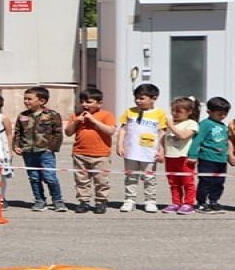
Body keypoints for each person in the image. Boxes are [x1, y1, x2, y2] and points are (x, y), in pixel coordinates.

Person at [115, 83, 167, 213]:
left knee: (149, 177)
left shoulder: (159, 113)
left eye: (142, 98)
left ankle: (150, 201)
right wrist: (119, 145)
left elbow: (162, 133)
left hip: (149, 153)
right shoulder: (129, 111)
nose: (138, 101)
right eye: (136, 98)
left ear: (154, 98)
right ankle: (129, 200)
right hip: (131, 151)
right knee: (131, 176)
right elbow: (122, 129)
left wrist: (161, 151)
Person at [14, 86, 66, 212]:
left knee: (50, 177)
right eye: (25, 99)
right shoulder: (22, 116)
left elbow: (57, 134)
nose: (26, 101)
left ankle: (58, 201)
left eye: (29, 99)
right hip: (28, 152)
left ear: (41, 101)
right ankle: (39, 201)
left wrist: (51, 149)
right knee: (34, 177)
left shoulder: (52, 115)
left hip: (45, 152)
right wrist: (16, 146)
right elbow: (17, 132)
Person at [64, 88, 115, 214]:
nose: (84, 105)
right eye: (82, 101)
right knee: (82, 180)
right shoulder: (76, 115)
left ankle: (101, 202)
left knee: (101, 180)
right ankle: (84, 201)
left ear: (99, 103)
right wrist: (76, 122)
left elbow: (110, 131)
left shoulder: (106, 115)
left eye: (89, 102)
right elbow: (68, 132)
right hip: (80, 153)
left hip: (100, 154)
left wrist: (93, 120)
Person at [188, 97, 232, 214]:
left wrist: (229, 155)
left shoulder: (223, 126)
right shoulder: (205, 124)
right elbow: (197, 140)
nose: (222, 116)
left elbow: (226, 142)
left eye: (225, 114)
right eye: (219, 114)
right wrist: (192, 155)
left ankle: (214, 201)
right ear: (209, 112)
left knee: (219, 182)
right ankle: (201, 202)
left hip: (221, 159)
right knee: (206, 181)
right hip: (207, 158)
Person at [163, 96, 201, 215]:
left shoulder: (191, 123)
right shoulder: (172, 124)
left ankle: (189, 203)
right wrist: (161, 152)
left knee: (187, 181)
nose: (175, 114)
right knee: (173, 181)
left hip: (183, 157)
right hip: (170, 157)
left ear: (189, 112)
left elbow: (184, 136)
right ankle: (176, 202)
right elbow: (164, 139)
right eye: (173, 111)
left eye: (179, 111)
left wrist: (171, 126)